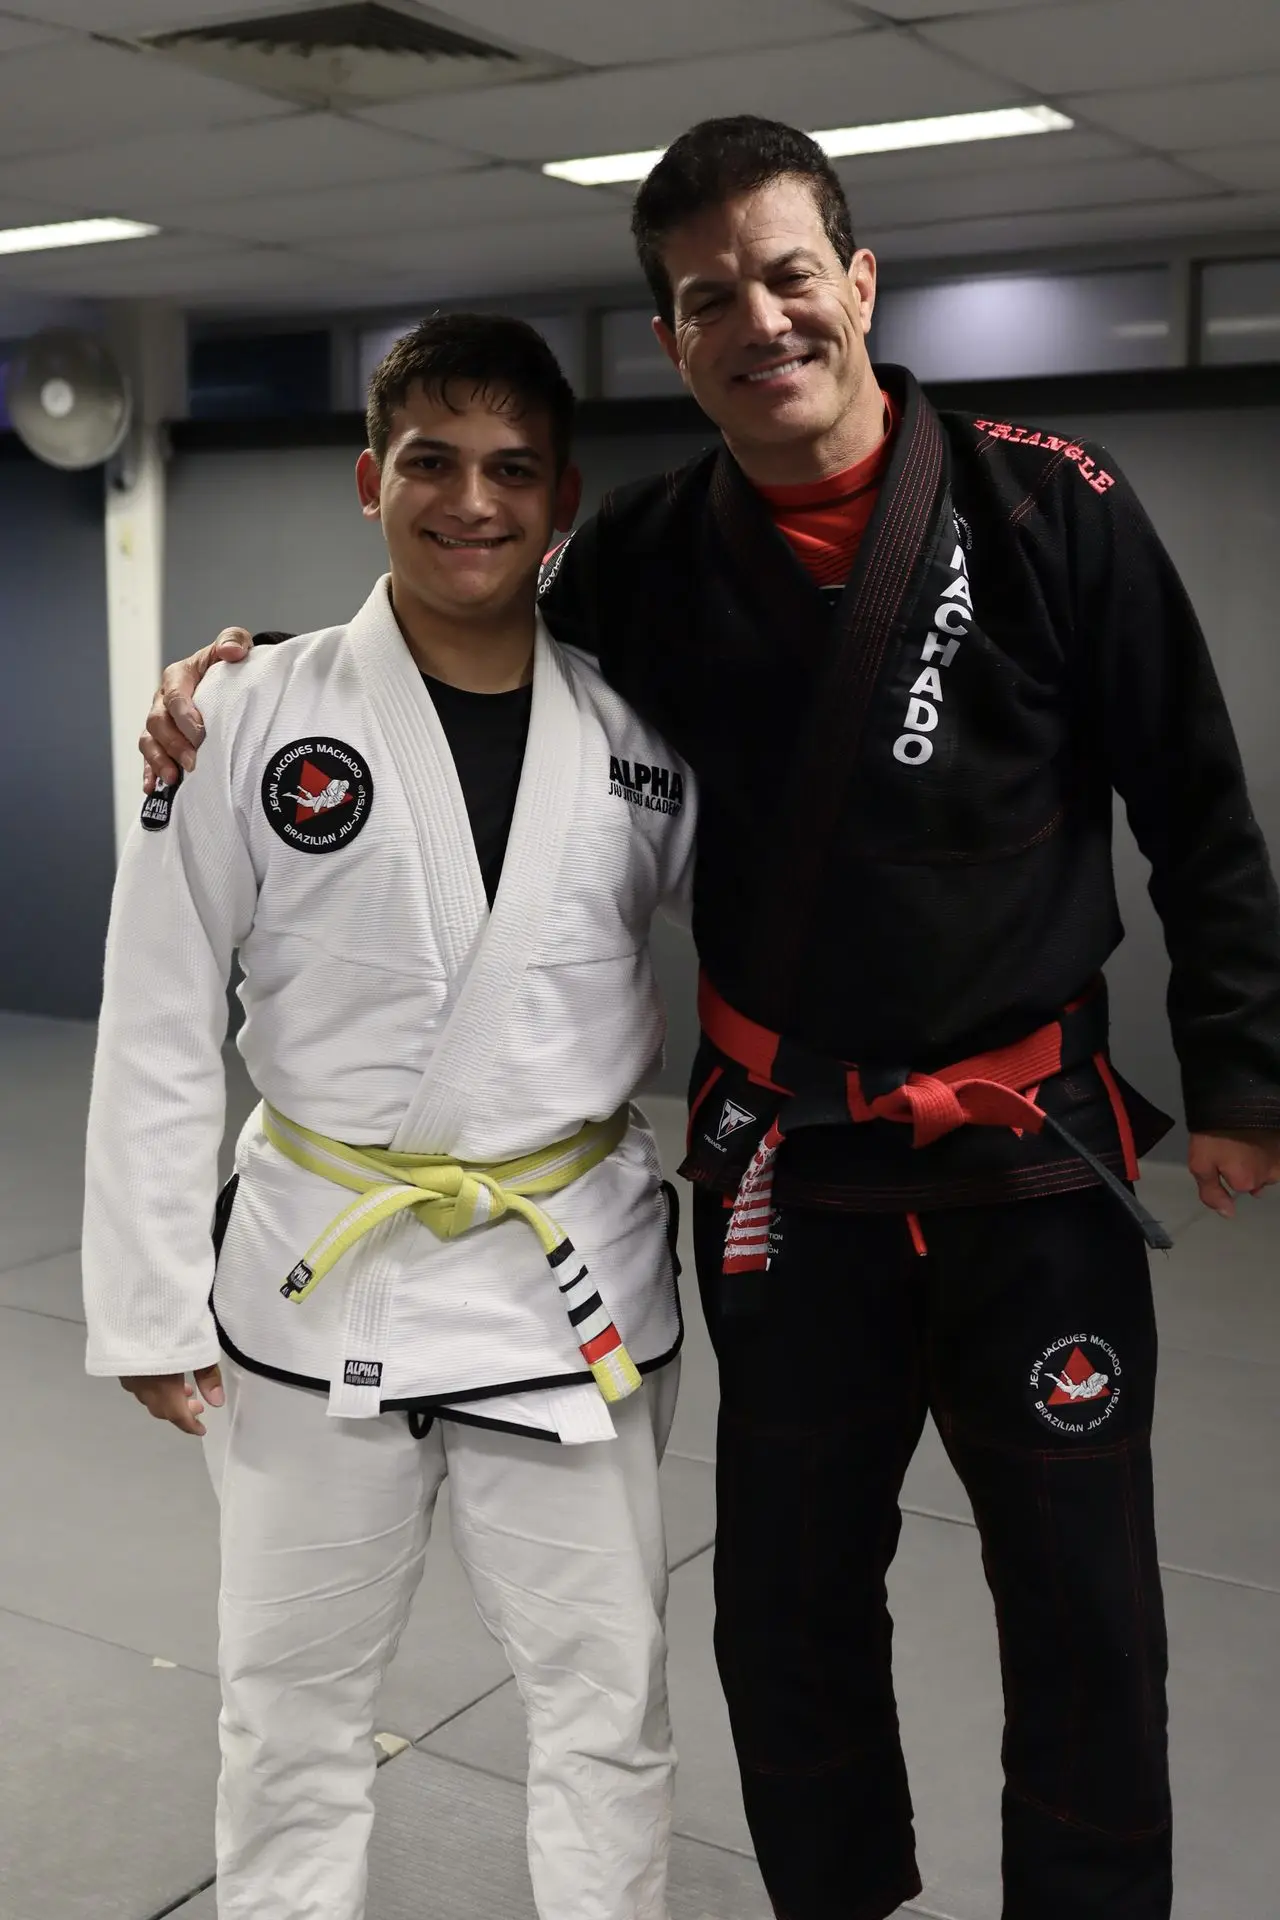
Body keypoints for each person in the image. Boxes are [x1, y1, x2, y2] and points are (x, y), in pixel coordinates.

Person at [139, 120, 1280, 1920]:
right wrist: (254, 681)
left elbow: (1199, 803)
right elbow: (473, 658)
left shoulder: (1053, 500)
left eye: (784, 272)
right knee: (785, 1600)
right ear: (674, 343)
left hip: (1037, 1158)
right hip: (792, 1178)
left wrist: (1239, 1071)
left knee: (1087, 1607)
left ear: (859, 283)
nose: (757, 316)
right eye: (705, 298)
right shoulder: (657, 556)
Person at [85, 314, 697, 1920]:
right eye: (432, 461)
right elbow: (157, 1014)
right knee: (286, 1710)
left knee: (605, 1711)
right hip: (317, 1278)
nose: (469, 501)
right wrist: (146, 1300)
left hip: (566, 1292)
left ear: (561, 503)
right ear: (372, 479)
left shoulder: (643, 744)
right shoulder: (243, 717)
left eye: (510, 471)